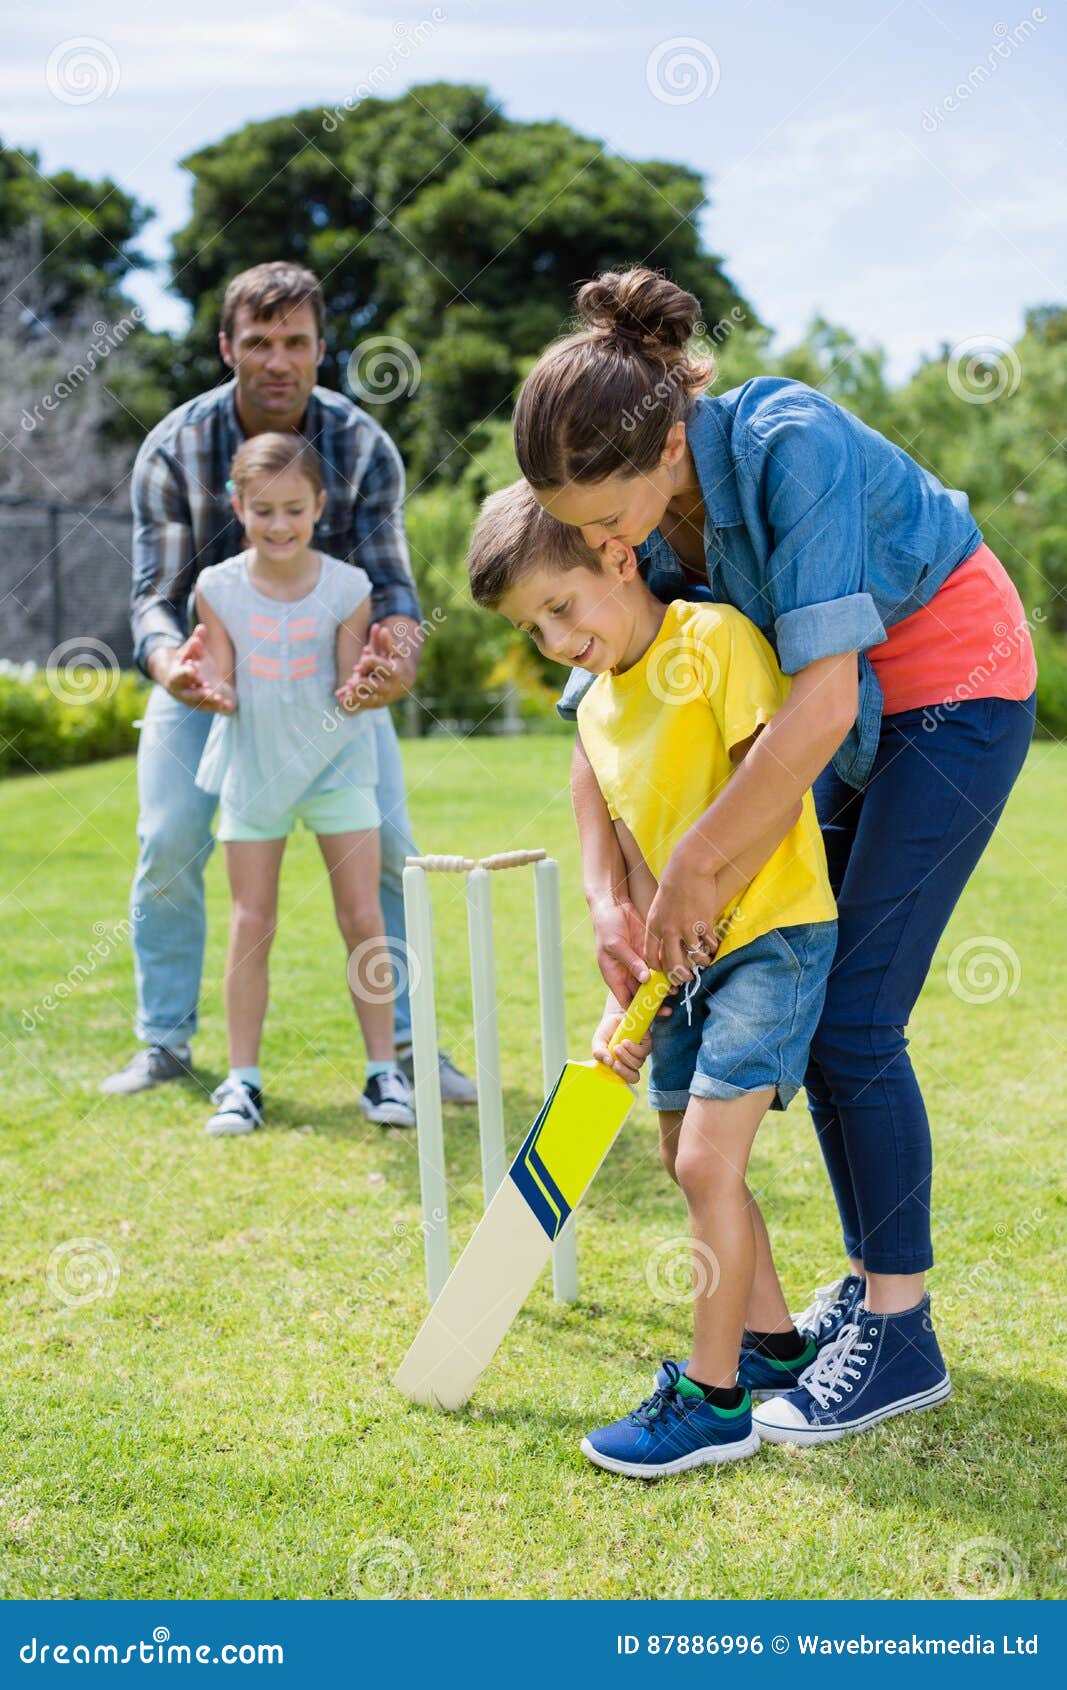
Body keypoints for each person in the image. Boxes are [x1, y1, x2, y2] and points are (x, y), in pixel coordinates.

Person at [512, 267, 1037, 1445]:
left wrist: (695, 868)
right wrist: (608, 896)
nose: (597, 546)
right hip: (842, 726)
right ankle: (865, 1288)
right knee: (835, 1008)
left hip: (952, 687)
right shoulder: (636, 523)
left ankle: (900, 1331)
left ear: (664, 444)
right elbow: (599, 714)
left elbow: (818, 703)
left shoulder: (787, 441)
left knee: (852, 1012)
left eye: (603, 521)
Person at [468, 480, 839, 1475]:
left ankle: (714, 1402)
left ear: (617, 556)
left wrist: (702, 912)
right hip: (679, 957)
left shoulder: (711, 640)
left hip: (771, 934)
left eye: (561, 606)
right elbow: (636, 857)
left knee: (705, 1163)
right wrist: (627, 994)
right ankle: (773, 1344)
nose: (554, 639)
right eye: (531, 628)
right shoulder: (596, 709)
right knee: (684, 1151)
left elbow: (771, 787)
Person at [103, 261, 475, 1107]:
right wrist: (174, 667)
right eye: (259, 342)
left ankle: (406, 1050)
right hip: (208, 675)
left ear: (319, 348)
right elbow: (154, 597)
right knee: (168, 840)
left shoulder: (364, 447)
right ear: (227, 347)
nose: (278, 360)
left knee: (391, 848)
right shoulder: (174, 448)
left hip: (330, 685)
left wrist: (396, 659)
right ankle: (165, 1042)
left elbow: (393, 586)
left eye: (296, 342)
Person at [187, 433, 414, 1134]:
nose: (279, 525)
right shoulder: (215, 588)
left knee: (363, 918)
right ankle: (243, 1082)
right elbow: (224, 681)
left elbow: (348, 687)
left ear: (319, 505)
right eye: (262, 511)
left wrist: (365, 682)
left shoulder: (349, 587)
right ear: (238, 507)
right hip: (254, 766)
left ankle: (384, 1073)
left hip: (337, 764)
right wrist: (210, 685)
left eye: (293, 509)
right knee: (251, 921)